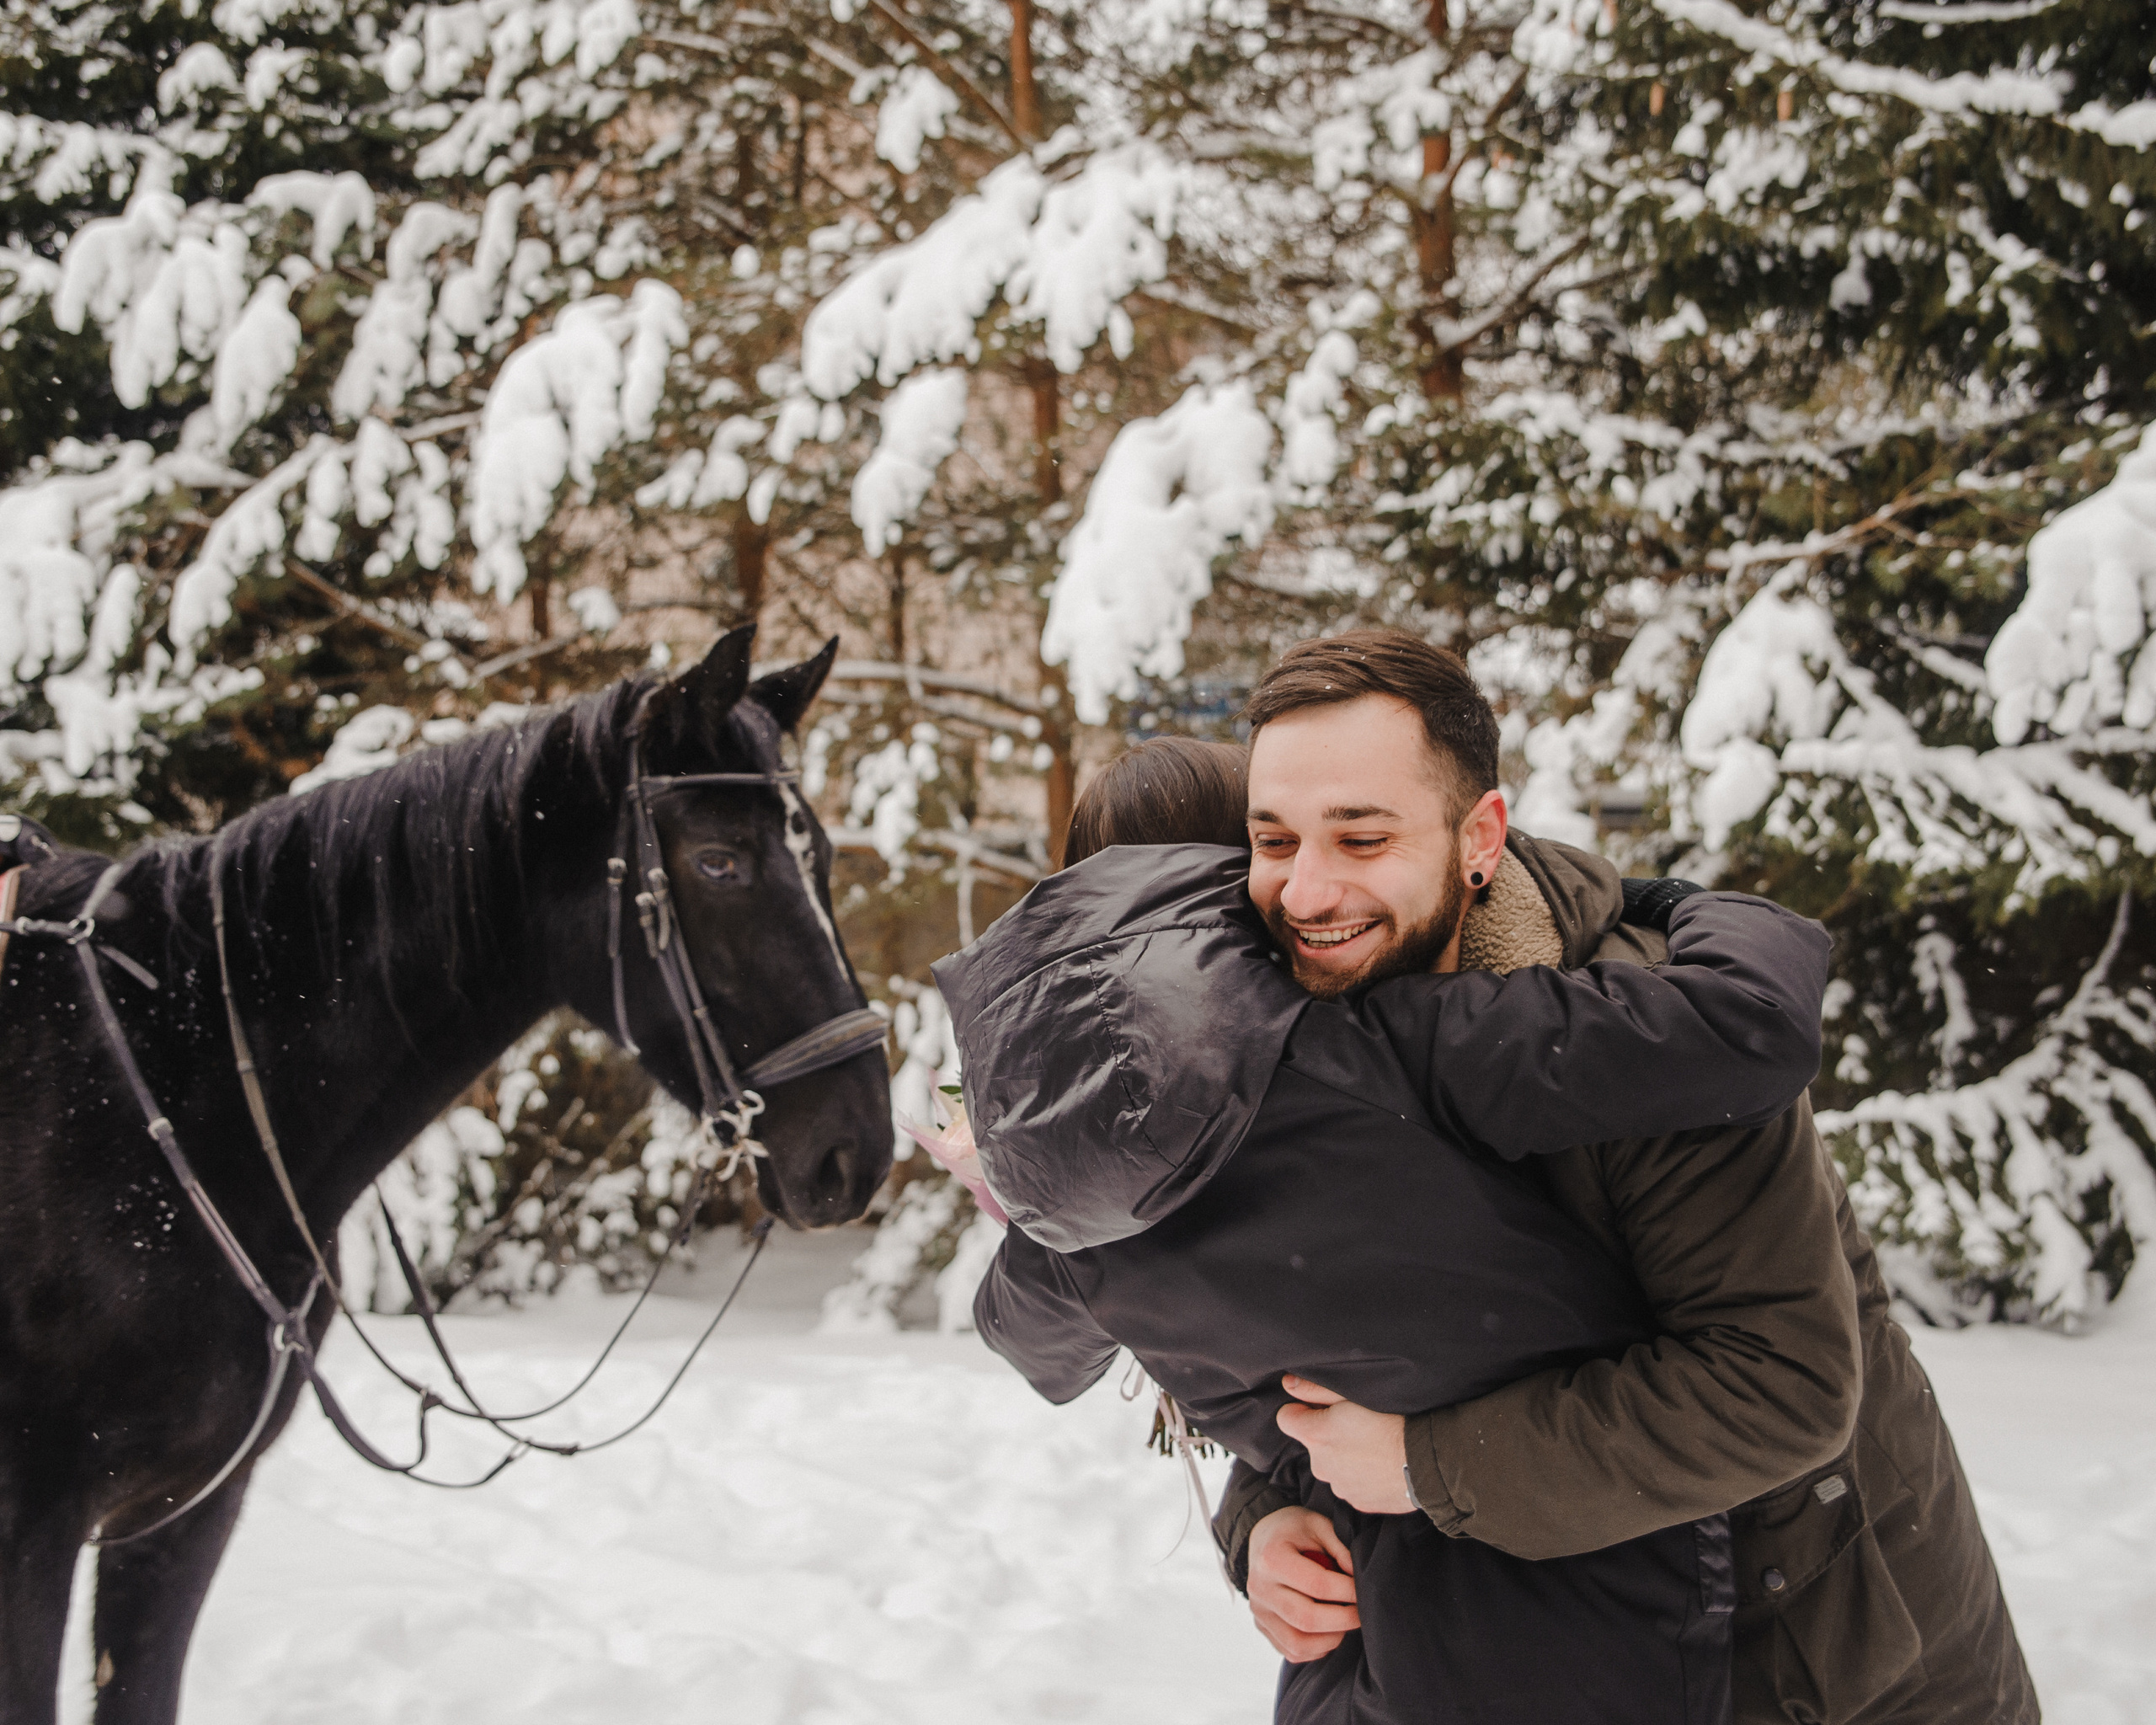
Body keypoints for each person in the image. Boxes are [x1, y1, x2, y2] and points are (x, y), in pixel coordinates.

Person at [1209, 632, 2036, 1725]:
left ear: (1479, 838)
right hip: (1530, 1651)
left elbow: (1783, 1385)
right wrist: (1263, 1515)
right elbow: (1310, 1332)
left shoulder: (1650, 1040)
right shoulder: (1297, 1026)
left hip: (1801, 1655)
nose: (1306, 891)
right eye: (1276, 840)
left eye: (1361, 837)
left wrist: (1428, 1465)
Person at [929, 734, 1835, 1722]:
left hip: (1363, 1640)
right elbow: (1746, 1024)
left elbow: (1035, 1340)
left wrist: (1027, 1182)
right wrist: (1679, 903)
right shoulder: (1397, 1043)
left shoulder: (1077, 1187)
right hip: (1583, 1622)